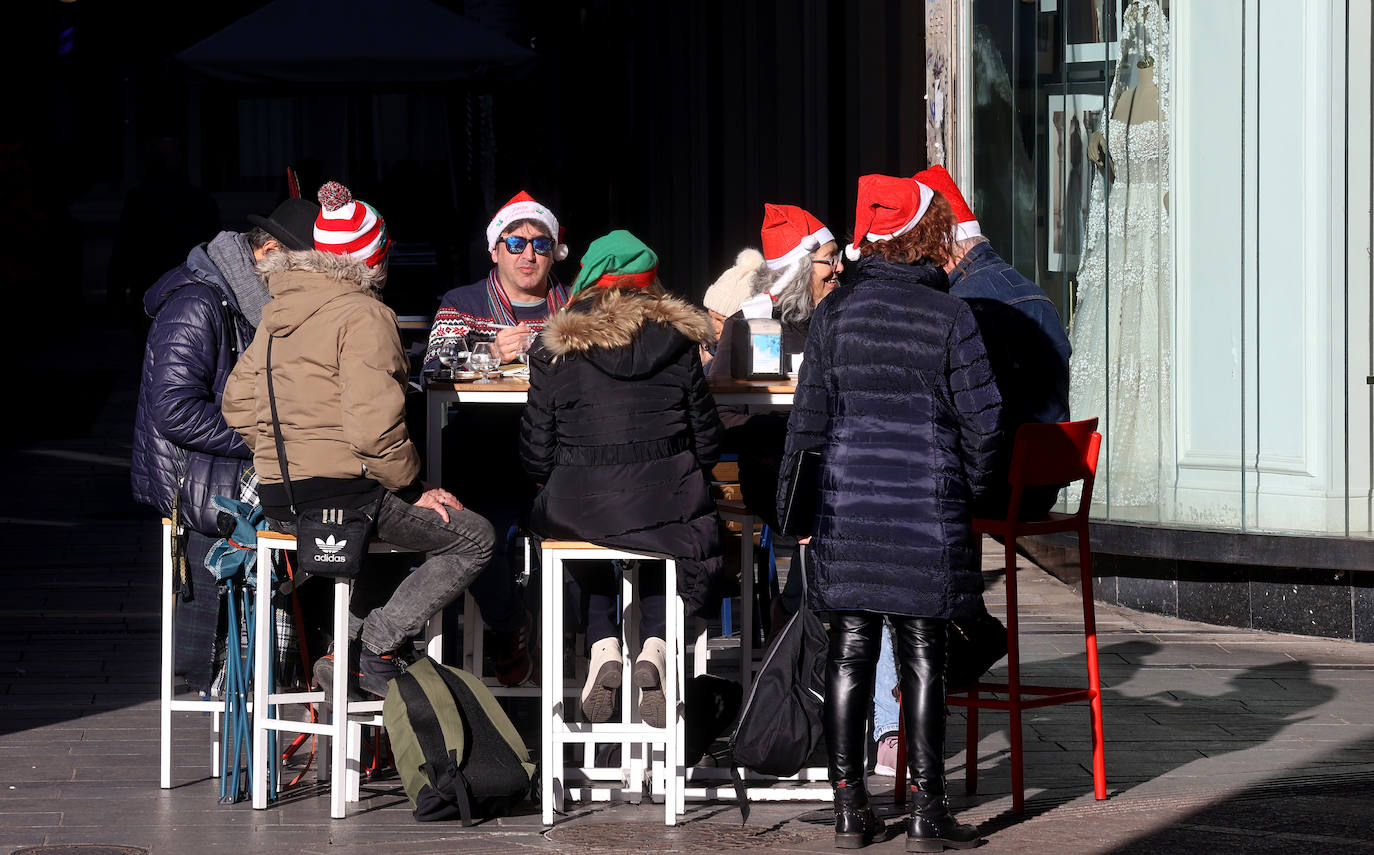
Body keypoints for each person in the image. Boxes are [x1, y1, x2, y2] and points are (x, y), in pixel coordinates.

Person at [780, 174, 1001, 850]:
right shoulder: (951, 315)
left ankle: (850, 808)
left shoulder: (835, 316)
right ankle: (930, 811)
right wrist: (967, 491)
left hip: (847, 510)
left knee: (849, 650)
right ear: (924, 236)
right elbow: (985, 423)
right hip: (926, 514)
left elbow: (807, 426)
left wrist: (798, 512)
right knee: (924, 653)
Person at [222, 181, 495, 699]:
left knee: (383, 542)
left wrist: (289, 452)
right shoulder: (366, 314)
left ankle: (341, 652)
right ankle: (377, 647)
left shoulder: (276, 314)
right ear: (375, 259)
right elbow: (375, 432)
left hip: (281, 501)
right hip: (345, 498)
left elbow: (236, 403)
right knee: (475, 538)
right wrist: (412, 487)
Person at [520, 230, 725, 728]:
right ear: (650, 285)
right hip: (667, 503)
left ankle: (602, 644)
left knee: (582, 525)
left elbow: (536, 453)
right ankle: (656, 646)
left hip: (578, 505)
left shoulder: (554, 348)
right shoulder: (679, 342)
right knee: (660, 526)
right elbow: (708, 441)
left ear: (590, 281)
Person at [131, 196, 319, 695]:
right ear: (269, 252)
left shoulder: (246, 299)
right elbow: (174, 410)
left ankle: (284, 672)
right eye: (304, 268)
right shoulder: (198, 302)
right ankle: (255, 679)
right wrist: (268, 439)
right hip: (201, 483)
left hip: (228, 472)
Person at [417, 190, 571, 686]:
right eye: (515, 243)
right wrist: (487, 349)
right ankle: (509, 624)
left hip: (559, 454)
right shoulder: (462, 303)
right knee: (474, 532)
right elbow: (431, 368)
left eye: (540, 244)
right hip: (483, 451)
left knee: (580, 541)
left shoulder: (574, 305)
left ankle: (578, 654)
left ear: (554, 251)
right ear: (494, 250)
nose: (528, 254)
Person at [916, 164, 1071, 519]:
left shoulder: (961, 306)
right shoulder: (1034, 292)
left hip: (997, 488)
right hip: (1045, 484)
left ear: (941, 249)